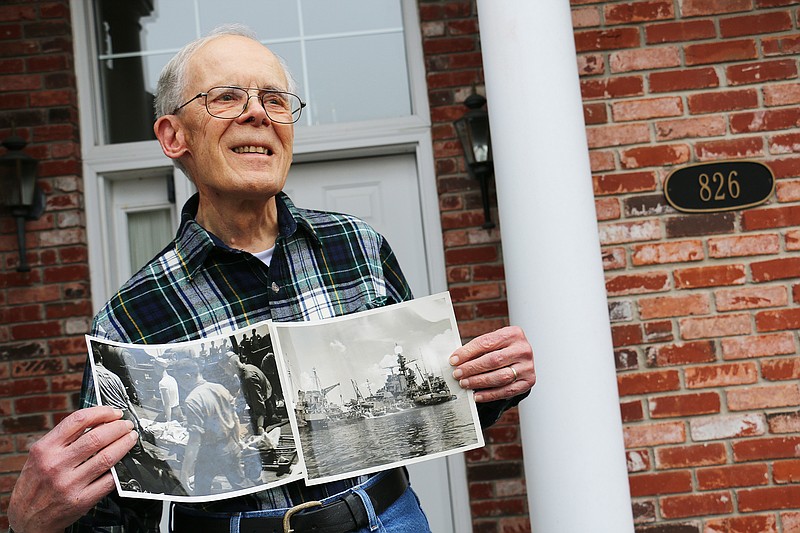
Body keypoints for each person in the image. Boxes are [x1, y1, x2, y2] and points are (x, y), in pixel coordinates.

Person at [7, 24, 535, 533]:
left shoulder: (360, 247)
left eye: (275, 100)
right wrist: (35, 523)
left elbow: (418, 415)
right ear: (173, 136)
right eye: (227, 97)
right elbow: (113, 516)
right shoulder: (131, 317)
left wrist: (485, 388)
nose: (258, 113)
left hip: (388, 520)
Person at [167, 359, 247, 496]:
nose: (180, 385)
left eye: (179, 380)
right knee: (243, 488)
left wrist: (185, 473)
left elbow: (194, 441)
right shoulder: (220, 388)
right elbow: (235, 418)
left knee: (201, 493)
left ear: (187, 377)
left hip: (210, 453)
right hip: (231, 445)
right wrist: (238, 442)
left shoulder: (192, 400)